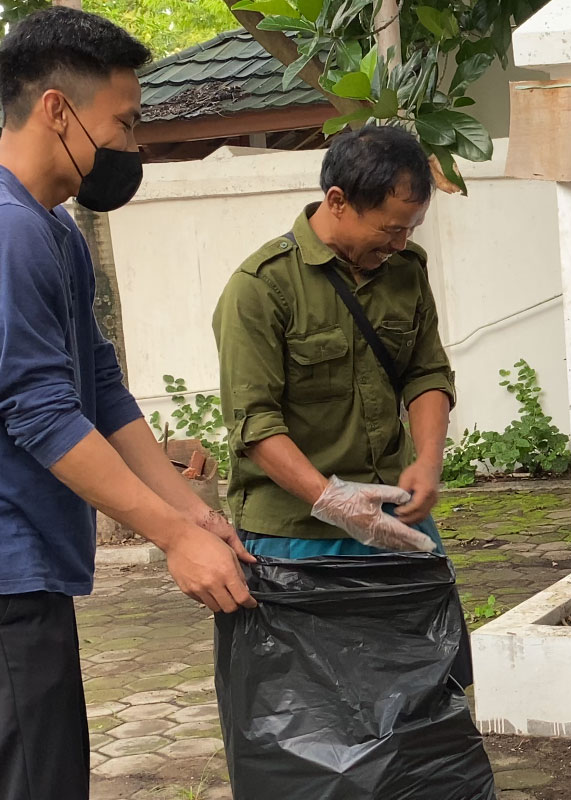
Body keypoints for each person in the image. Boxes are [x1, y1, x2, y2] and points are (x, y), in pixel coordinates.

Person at [0, 8, 256, 798]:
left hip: (30, 567)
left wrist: (189, 508)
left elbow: (102, 392)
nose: (132, 146)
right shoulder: (7, 232)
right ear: (56, 109)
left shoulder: (54, 232)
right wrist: (174, 538)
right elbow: (40, 412)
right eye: (125, 122)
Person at [213, 124, 453, 560]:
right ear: (337, 201)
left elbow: (426, 373)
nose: (400, 243)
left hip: (395, 512)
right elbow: (255, 424)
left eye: (411, 229)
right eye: (389, 229)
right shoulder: (261, 287)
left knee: (421, 628)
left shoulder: (404, 270)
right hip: (295, 531)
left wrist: (429, 462)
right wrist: (333, 502)